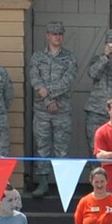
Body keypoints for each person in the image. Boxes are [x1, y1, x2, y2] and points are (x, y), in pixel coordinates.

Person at [28, 20, 79, 195]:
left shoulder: (70, 58)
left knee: (62, 149)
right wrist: (48, 101)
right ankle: (42, 184)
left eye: (60, 34)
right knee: (42, 147)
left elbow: (67, 81)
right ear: (47, 35)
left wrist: (50, 97)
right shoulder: (37, 57)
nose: (57, 37)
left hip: (62, 110)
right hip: (42, 111)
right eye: (54, 34)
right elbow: (35, 80)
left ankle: (63, 185)